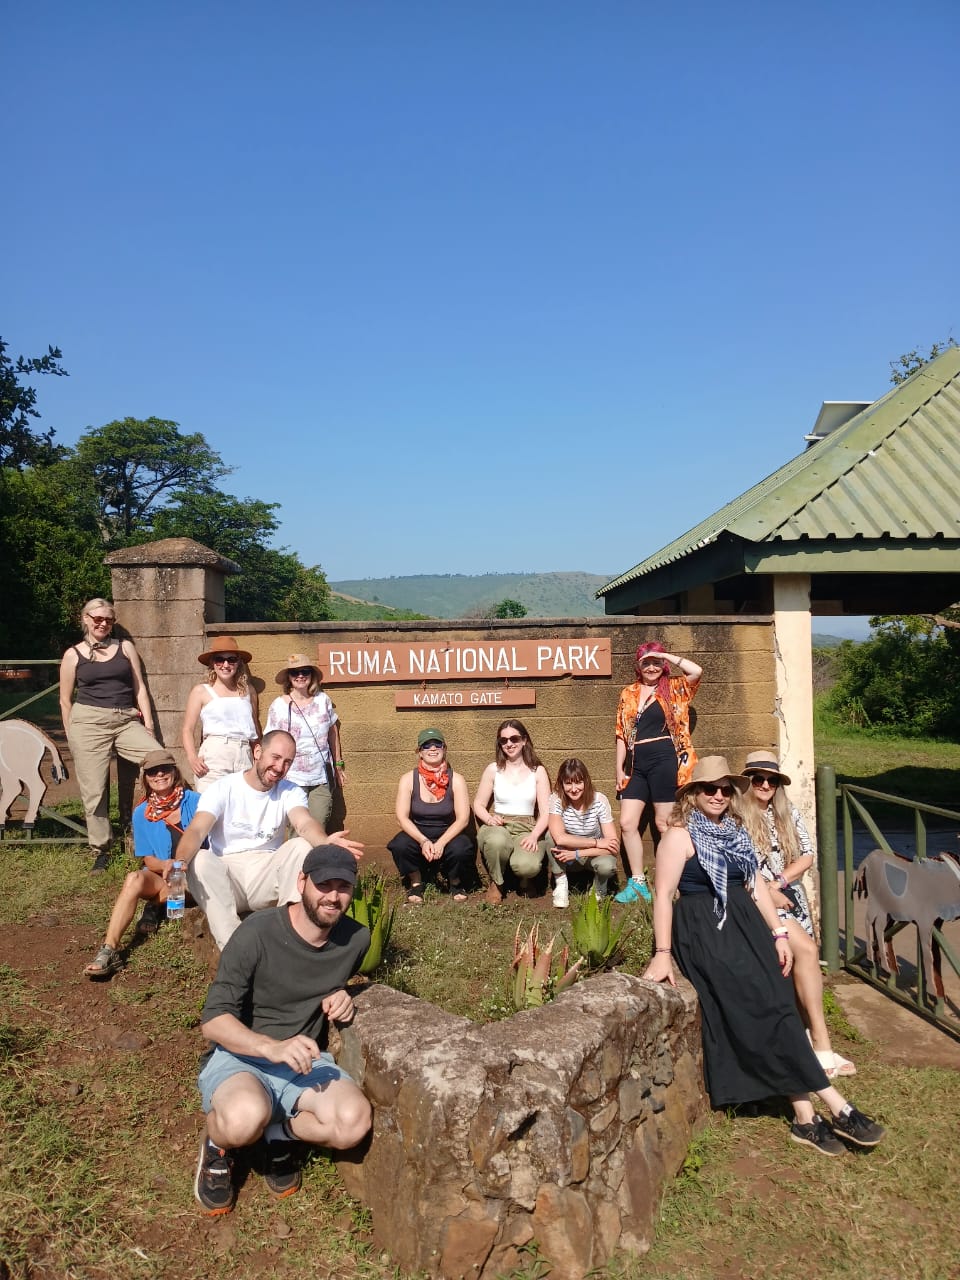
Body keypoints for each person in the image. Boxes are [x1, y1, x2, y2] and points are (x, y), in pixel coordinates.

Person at [643, 756, 885, 1157]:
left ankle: (805, 1118)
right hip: (706, 931)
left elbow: (756, 885)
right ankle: (837, 1105)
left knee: (775, 998)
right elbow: (664, 896)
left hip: (748, 926)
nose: (718, 795)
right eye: (709, 789)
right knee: (760, 1002)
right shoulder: (679, 836)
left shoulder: (734, 831)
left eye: (725, 789)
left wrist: (778, 934)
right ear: (693, 794)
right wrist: (663, 953)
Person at [193, 844, 372, 1215]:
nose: (333, 897)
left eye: (343, 886)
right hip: (241, 1057)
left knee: (353, 1123)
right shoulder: (256, 933)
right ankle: (217, 1145)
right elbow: (213, 1021)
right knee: (242, 1120)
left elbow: (323, 978)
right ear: (301, 881)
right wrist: (269, 1048)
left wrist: (343, 994)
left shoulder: (356, 939)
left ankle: (280, 1132)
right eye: (324, 885)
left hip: (303, 1062)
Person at [169, 730, 362, 951]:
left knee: (300, 846)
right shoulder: (223, 788)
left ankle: (291, 940)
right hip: (227, 875)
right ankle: (236, 951)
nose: (280, 768)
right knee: (201, 860)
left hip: (266, 874)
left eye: (288, 762)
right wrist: (180, 861)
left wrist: (325, 843)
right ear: (258, 751)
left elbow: (304, 824)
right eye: (276, 758)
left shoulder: (290, 791)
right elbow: (196, 830)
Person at [741, 750, 856, 1079]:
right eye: (758, 778)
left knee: (803, 958)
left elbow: (806, 854)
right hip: (756, 897)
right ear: (747, 781)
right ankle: (820, 1042)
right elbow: (740, 865)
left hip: (787, 894)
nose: (765, 785)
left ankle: (812, 1039)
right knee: (804, 951)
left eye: (771, 780)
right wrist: (768, 890)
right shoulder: (737, 813)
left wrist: (780, 881)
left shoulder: (786, 811)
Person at [59, 597, 162, 871]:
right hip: (88, 722)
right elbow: (65, 700)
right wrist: (72, 734)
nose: (103, 623)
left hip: (126, 719)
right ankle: (102, 848)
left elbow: (140, 688)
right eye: (98, 619)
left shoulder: (125, 647)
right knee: (94, 791)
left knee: (160, 760)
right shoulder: (73, 654)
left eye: (108, 619)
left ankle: (154, 829)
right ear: (85, 619)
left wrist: (148, 725)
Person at [82, 750, 202, 978]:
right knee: (133, 878)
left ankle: (156, 907)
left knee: (176, 887)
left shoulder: (195, 802)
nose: (159, 775)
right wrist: (167, 863)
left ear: (174, 772)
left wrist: (179, 865)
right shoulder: (142, 812)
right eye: (152, 772)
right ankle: (109, 949)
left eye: (164, 769)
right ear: (145, 777)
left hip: (194, 874)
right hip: (163, 874)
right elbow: (148, 859)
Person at [614, 642, 702, 904]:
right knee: (628, 823)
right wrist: (618, 767)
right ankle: (638, 882)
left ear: (663, 665)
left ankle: (672, 881)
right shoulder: (628, 693)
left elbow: (696, 671)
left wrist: (665, 655)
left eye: (656, 663)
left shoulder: (674, 687)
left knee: (664, 825)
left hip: (664, 758)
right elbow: (620, 732)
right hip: (635, 763)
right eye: (646, 662)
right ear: (637, 666)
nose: (651, 667)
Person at [387, 727, 476, 904]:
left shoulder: (457, 779)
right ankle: (416, 881)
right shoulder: (407, 779)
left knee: (462, 847)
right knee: (399, 845)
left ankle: (455, 882)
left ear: (444, 749)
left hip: (449, 832)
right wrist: (423, 841)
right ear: (420, 752)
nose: (432, 749)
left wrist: (441, 842)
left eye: (437, 744)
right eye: (426, 746)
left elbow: (463, 819)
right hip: (418, 832)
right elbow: (401, 818)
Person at [473, 719, 551, 905]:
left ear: (524, 740)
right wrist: (489, 818)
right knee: (497, 841)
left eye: (514, 739)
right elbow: (478, 804)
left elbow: (546, 811)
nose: (509, 744)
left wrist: (534, 836)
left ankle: (525, 880)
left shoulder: (537, 771)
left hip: (526, 827)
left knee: (527, 866)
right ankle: (497, 884)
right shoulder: (493, 770)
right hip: (500, 825)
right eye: (504, 740)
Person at [264, 653, 344, 832]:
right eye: (295, 672)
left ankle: (314, 861)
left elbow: (332, 731)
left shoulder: (323, 700)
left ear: (312, 675)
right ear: (289, 678)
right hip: (290, 777)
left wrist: (338, 764)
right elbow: (269, 741)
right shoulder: (279, 706)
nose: (300, 676)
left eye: (305, 671)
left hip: (320, 776)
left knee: (318, 825)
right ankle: (297, 861)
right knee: (296, 830)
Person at [181, 637, 260, 793]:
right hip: (215, 753)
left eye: (231, 660)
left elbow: (255, 726)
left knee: (241, 809)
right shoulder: (201, 691)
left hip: (244, 753)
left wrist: (259, 753)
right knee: (211, 809)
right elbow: (187, 729)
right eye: (219, 659)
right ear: (212, 663)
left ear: (238, 663)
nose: (225, 665)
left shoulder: (248, 691)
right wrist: (192, 757)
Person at [547, 758, 619, 908]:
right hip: (568, 855)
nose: (574, 789)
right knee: (550, 837)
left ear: (586, 782)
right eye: (568, 783)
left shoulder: (600, 801)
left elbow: (613, 846)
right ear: (561, 783)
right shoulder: (556, 799)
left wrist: (578, 853)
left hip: (591, 856)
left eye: (578, 782)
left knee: (607, 865)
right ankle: (561, 883)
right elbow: (559, 838)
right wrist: (597, 842)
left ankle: (600, 885)